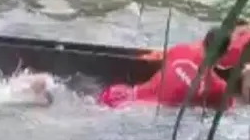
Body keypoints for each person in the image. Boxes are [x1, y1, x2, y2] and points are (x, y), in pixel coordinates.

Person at [98, 27, 243, 110]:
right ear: (224, 54)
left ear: (204, 41)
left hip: (117, 95)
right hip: (139, 114)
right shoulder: (219, 89)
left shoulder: (179, 50)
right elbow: (229, 112)